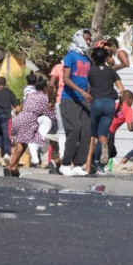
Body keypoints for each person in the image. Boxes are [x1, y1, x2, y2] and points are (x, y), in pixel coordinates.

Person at [59, 29, 92, 177]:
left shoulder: (87, 59)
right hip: (69, 99)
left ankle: (78, 164)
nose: (89, 41)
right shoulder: (70, 56)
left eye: (90, 39)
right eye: (87, 39)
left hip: (83, 101)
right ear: (79, 39)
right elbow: (65, 78)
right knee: (74, 130)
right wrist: (82, 91)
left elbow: (89, 79)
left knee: (86, 131)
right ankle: (65, 164)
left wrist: (90, 93)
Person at [87, 46, 125, 174]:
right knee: (103, 134)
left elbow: (87, 87)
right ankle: (98, 159)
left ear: (93, 58)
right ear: (105, 58)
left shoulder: (90, 71)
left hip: (96, 102)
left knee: (92, 134)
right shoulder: (111, 71)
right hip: (109, 103)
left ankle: (90, 161)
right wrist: (120, 105)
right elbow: (122, 89)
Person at [7, 77, 54, 177]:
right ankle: (10, 167)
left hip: (20, 117)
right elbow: (47, 112)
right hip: (29, 120)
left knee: (21, 144)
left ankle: (14, 167)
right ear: (45, 88)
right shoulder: (44, 98)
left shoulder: (31, 95)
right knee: (22, 144)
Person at [0, 76, 19, 162]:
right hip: (5, 116)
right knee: (6, 134)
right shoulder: (9, 92)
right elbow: (17, 107)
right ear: (5, 84)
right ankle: (6, 153)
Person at [47, 62, 66, 173]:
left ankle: (61, 160)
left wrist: (50, 100)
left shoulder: (58, 67)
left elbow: (51, 85)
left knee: (62, 132)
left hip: (59, 101)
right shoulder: (79, 65)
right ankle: (63, 161)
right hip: (74, 101)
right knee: (73, 132)